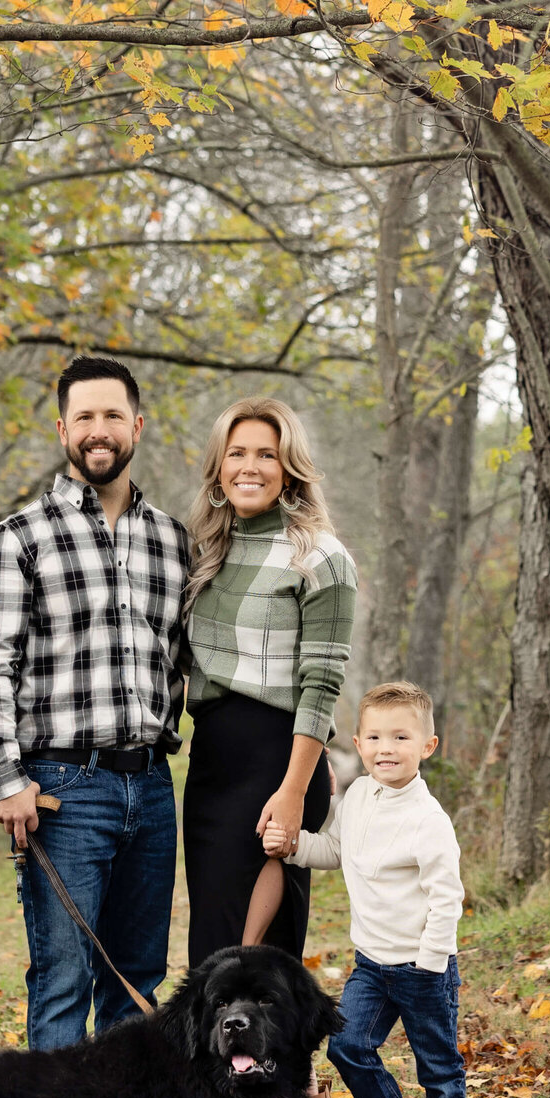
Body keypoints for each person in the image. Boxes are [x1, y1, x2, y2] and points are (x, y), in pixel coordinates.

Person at [0, 352, 187, 1050]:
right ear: (63, 429)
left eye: (112, 415)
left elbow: (178, 660)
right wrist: (6, 778)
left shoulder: (173, 542)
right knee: (63, 975)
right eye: (84, 415)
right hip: (63, 788)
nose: (99, 429)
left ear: (137, 425)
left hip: (151, 787)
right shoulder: (19, 537)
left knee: (137, 977)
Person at [267, 679, 466, 1098]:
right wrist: (290, 846)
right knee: (346, 1045)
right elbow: (335, 850)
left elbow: (447, 899)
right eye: (375, 738)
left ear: (427, 746)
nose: (387, 749)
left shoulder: (428, 820)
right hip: (372, 966)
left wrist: (431, 962)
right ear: (357, 745)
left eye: (401, 738)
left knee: (438, 1069)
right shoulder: (356, 795)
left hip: (423, 967)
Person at [181, 398, 357, 967]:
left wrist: (292, 789)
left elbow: (322, 683)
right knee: (212, 932)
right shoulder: (210, 549)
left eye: (266, 454)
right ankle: (214, 1060)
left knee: (245, 953)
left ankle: (272, 1058)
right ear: (219, 466)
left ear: (290, 469)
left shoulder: (320, 557)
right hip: (211, 765)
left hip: (279, 763)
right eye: (237, 453)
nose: (249, 466)